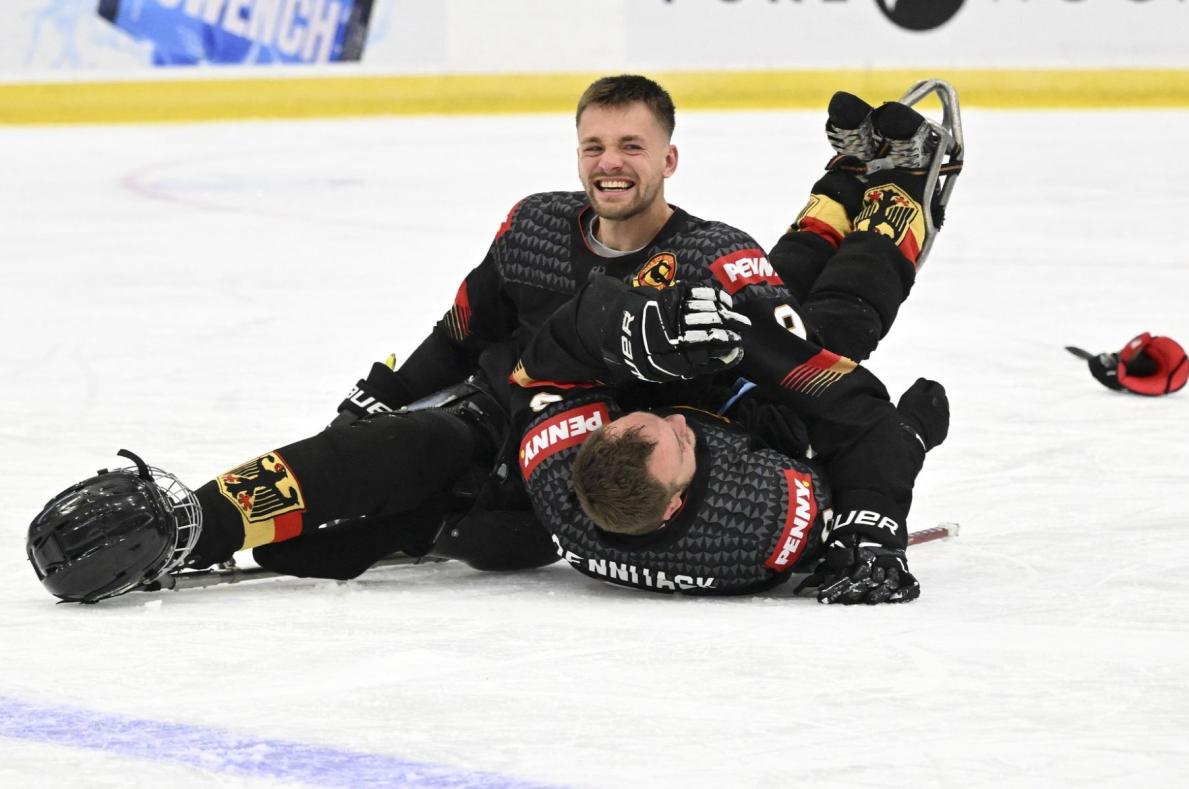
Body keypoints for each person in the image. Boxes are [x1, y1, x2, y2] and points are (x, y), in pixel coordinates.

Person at [26, 76, 957, 603]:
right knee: (403, 446)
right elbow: (465, 323)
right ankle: (197, 522)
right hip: (521, 401)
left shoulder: (716, 257)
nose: (610, 165)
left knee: (831, 319)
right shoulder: (535, 228)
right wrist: (385, 398)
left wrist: (875, 491)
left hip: (665, 412)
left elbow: (818, 376)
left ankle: (884, 182)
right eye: (595, 147)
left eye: (631, 148)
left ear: (667, 158)